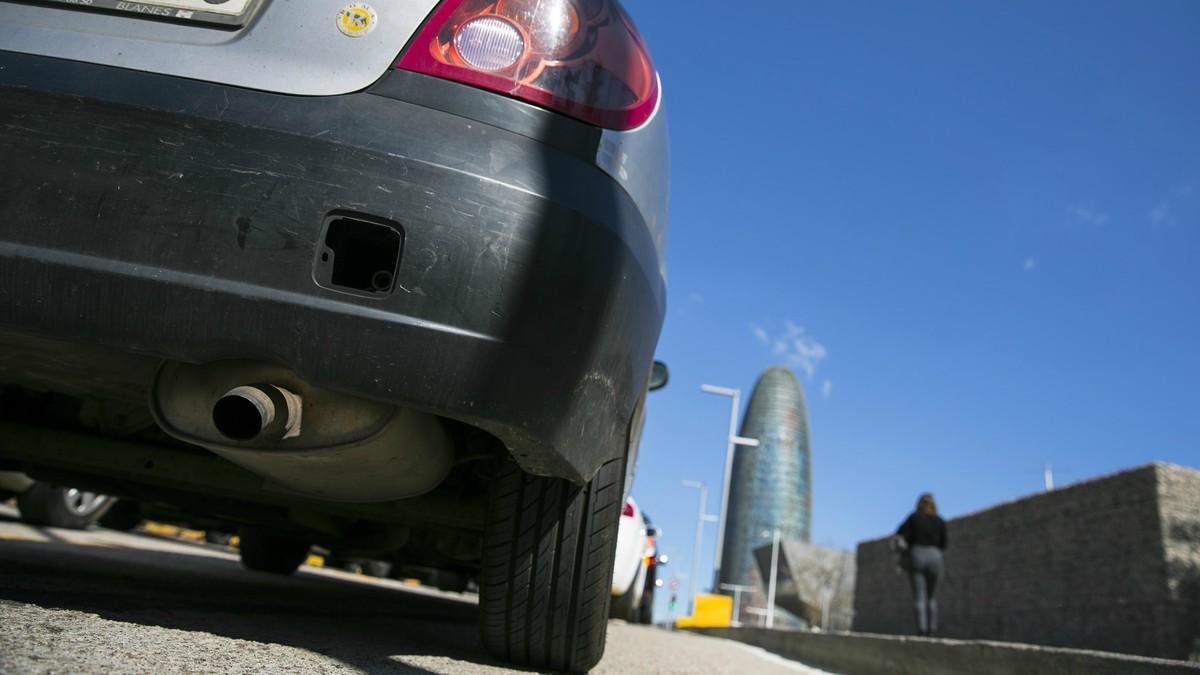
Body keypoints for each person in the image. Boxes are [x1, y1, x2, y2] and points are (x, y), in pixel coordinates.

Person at [895, 493, 947, 636]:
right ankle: (932, 629)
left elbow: (899, 534)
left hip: (917, 556)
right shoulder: (940, 521)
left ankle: (922, 630)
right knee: (931, 597)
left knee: (919, 597)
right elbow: (944, 544)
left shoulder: (914, 517)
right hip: (935, 558)